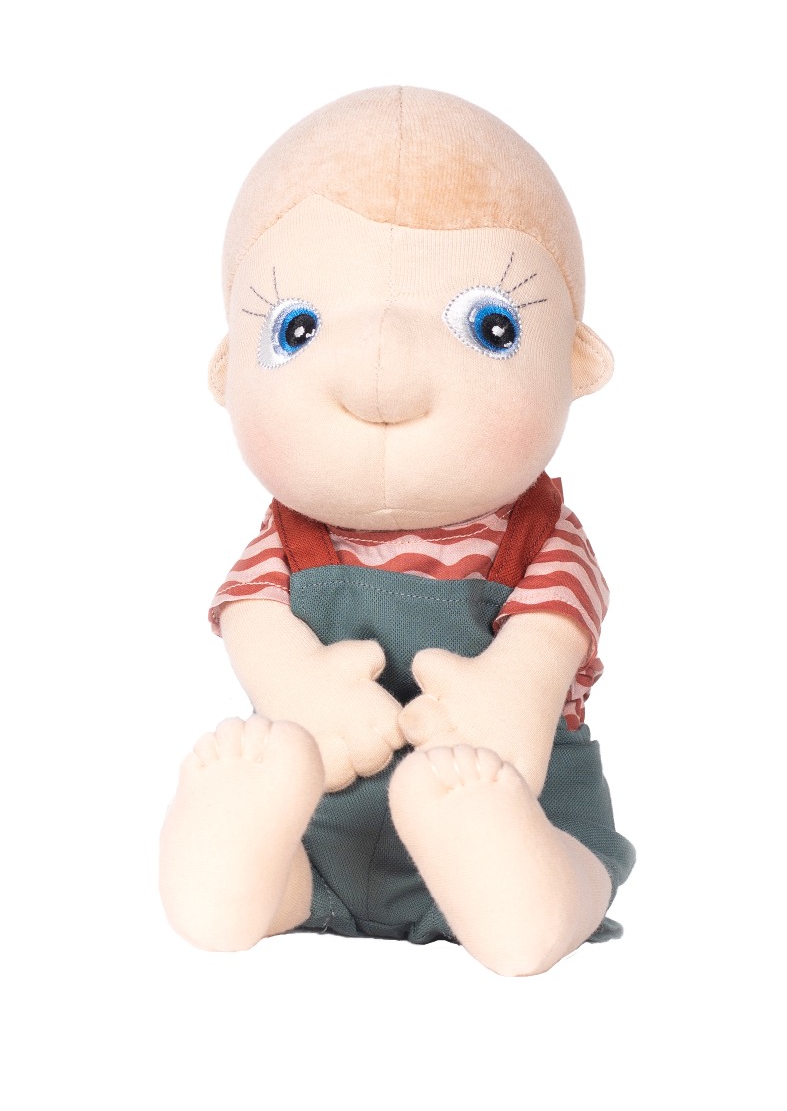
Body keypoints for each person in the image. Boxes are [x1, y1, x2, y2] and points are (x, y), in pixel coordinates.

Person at [159, 87, 635, 976]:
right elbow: (250, 616)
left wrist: (512, 699)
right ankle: (239, 872)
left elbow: (553, 629)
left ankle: (523, 894)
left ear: (574, 360)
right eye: (298, 329)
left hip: (513, 797)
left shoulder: (539, 534)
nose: (379, 377)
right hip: (320, 814)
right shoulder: (287, 537)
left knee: (572, 864)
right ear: (227, 371)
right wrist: (298, 690)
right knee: (287, 847)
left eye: (492, 327)